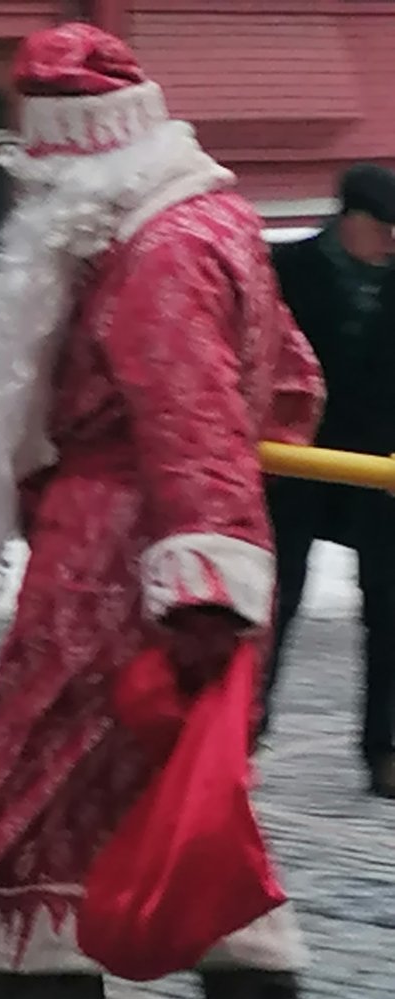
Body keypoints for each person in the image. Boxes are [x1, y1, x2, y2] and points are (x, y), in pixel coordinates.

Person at [0, 23, 324, 999]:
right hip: (161, 552)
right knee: (181, 815)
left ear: (69, 158)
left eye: (36, 167)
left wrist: (192, 581)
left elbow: (190, 426)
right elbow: (291, 390)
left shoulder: (152, 251)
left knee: (36, 809)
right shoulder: (213, 221)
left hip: (128, 566)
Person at [262, 164, 395, 799]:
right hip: (294, 462)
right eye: (382, 229)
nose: (392, 242)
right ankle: (243, 727)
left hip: (381, 468)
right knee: (272, 600)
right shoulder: (285, 272)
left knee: (390, 609)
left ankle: (386, 749)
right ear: (348, 219)